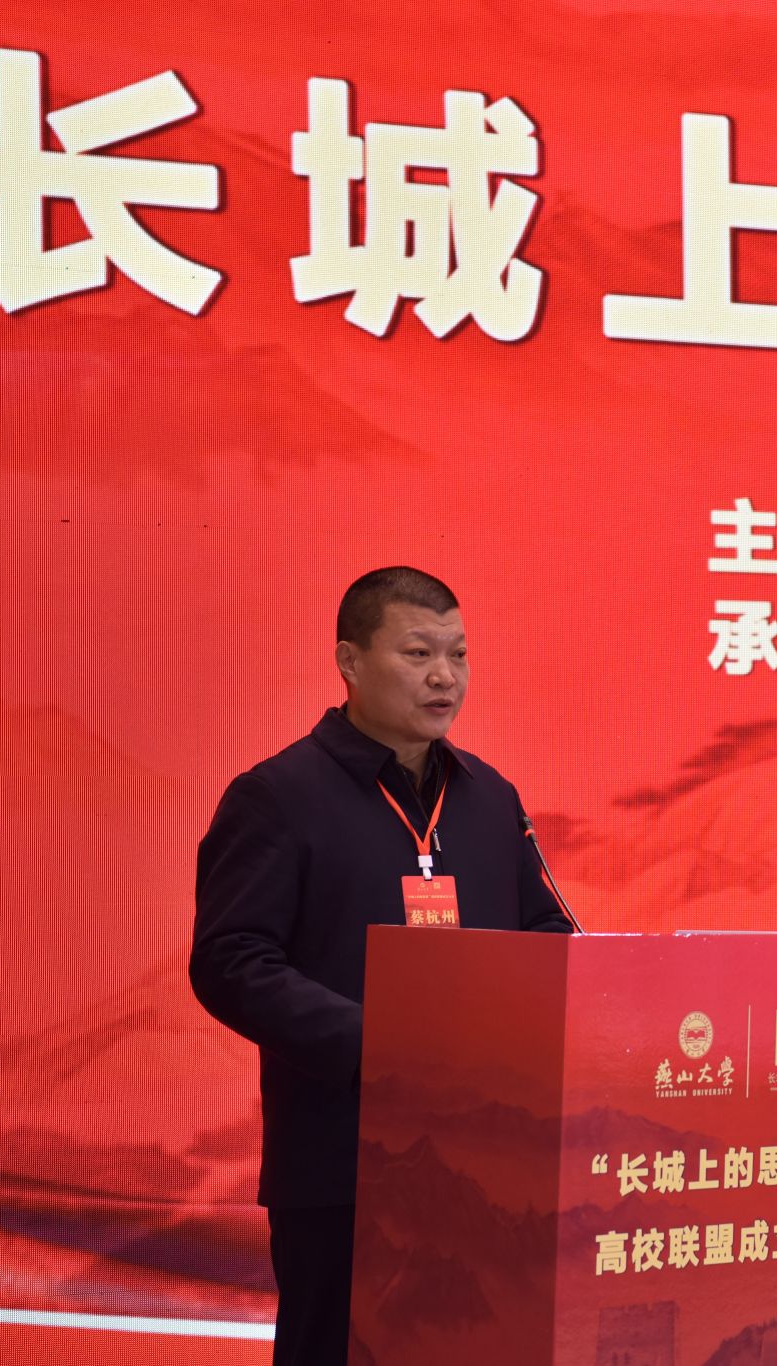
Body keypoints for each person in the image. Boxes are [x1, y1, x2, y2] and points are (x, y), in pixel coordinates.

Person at [191, 566, 573, 1366]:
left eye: (459, 654)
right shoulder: (277, 796)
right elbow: (231, 961)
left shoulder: (490, 797)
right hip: (344, 1160)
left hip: (490, 1162)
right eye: (419, 653)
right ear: (349, 661)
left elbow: (547, 930)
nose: (445, 677)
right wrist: (384, 1046)